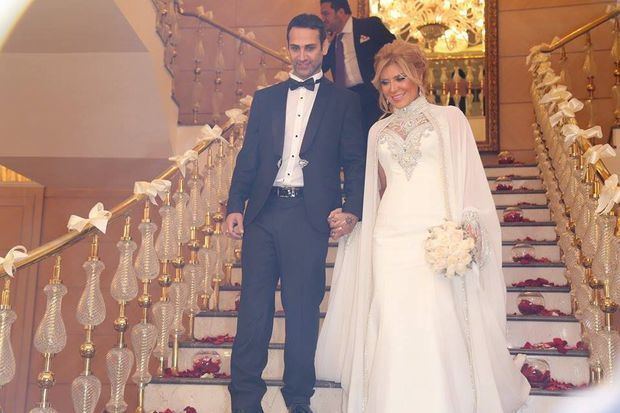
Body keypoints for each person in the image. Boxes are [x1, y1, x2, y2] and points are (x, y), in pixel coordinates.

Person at [316, 40, 531, 412]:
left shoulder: (449, 118)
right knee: (392, 319)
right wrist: (352, 216)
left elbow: (468, 175)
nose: (393, 88)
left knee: (434, 317)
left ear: (418, 76)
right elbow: (374, 190)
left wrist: (467, 225)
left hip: (435, 233)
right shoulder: (377, 131)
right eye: (385, 82)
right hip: (388, 235)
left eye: (400, 78)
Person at [225, 13, 366, 413]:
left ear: (325, 46)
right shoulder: (266, 99)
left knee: (303, 311)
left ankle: (298, 399)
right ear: (287, 47)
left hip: (309, 217)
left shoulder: (344, 102)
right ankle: (245, 400)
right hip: (263, 214)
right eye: (295, 47)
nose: (302, 56)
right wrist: (235, 205)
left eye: (310, 48)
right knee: (253, 310)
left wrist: (352, 210)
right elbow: (249, 157)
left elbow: (355, 162)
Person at [320, 0, 395, 135]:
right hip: (346, 100)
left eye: (326, 14)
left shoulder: (369, 25)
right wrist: (326, 42)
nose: (323, 19)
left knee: (377, 137)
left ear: (340, 12)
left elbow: (395, 47)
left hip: (373, 96)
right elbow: (320, 67)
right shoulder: (332, 41)